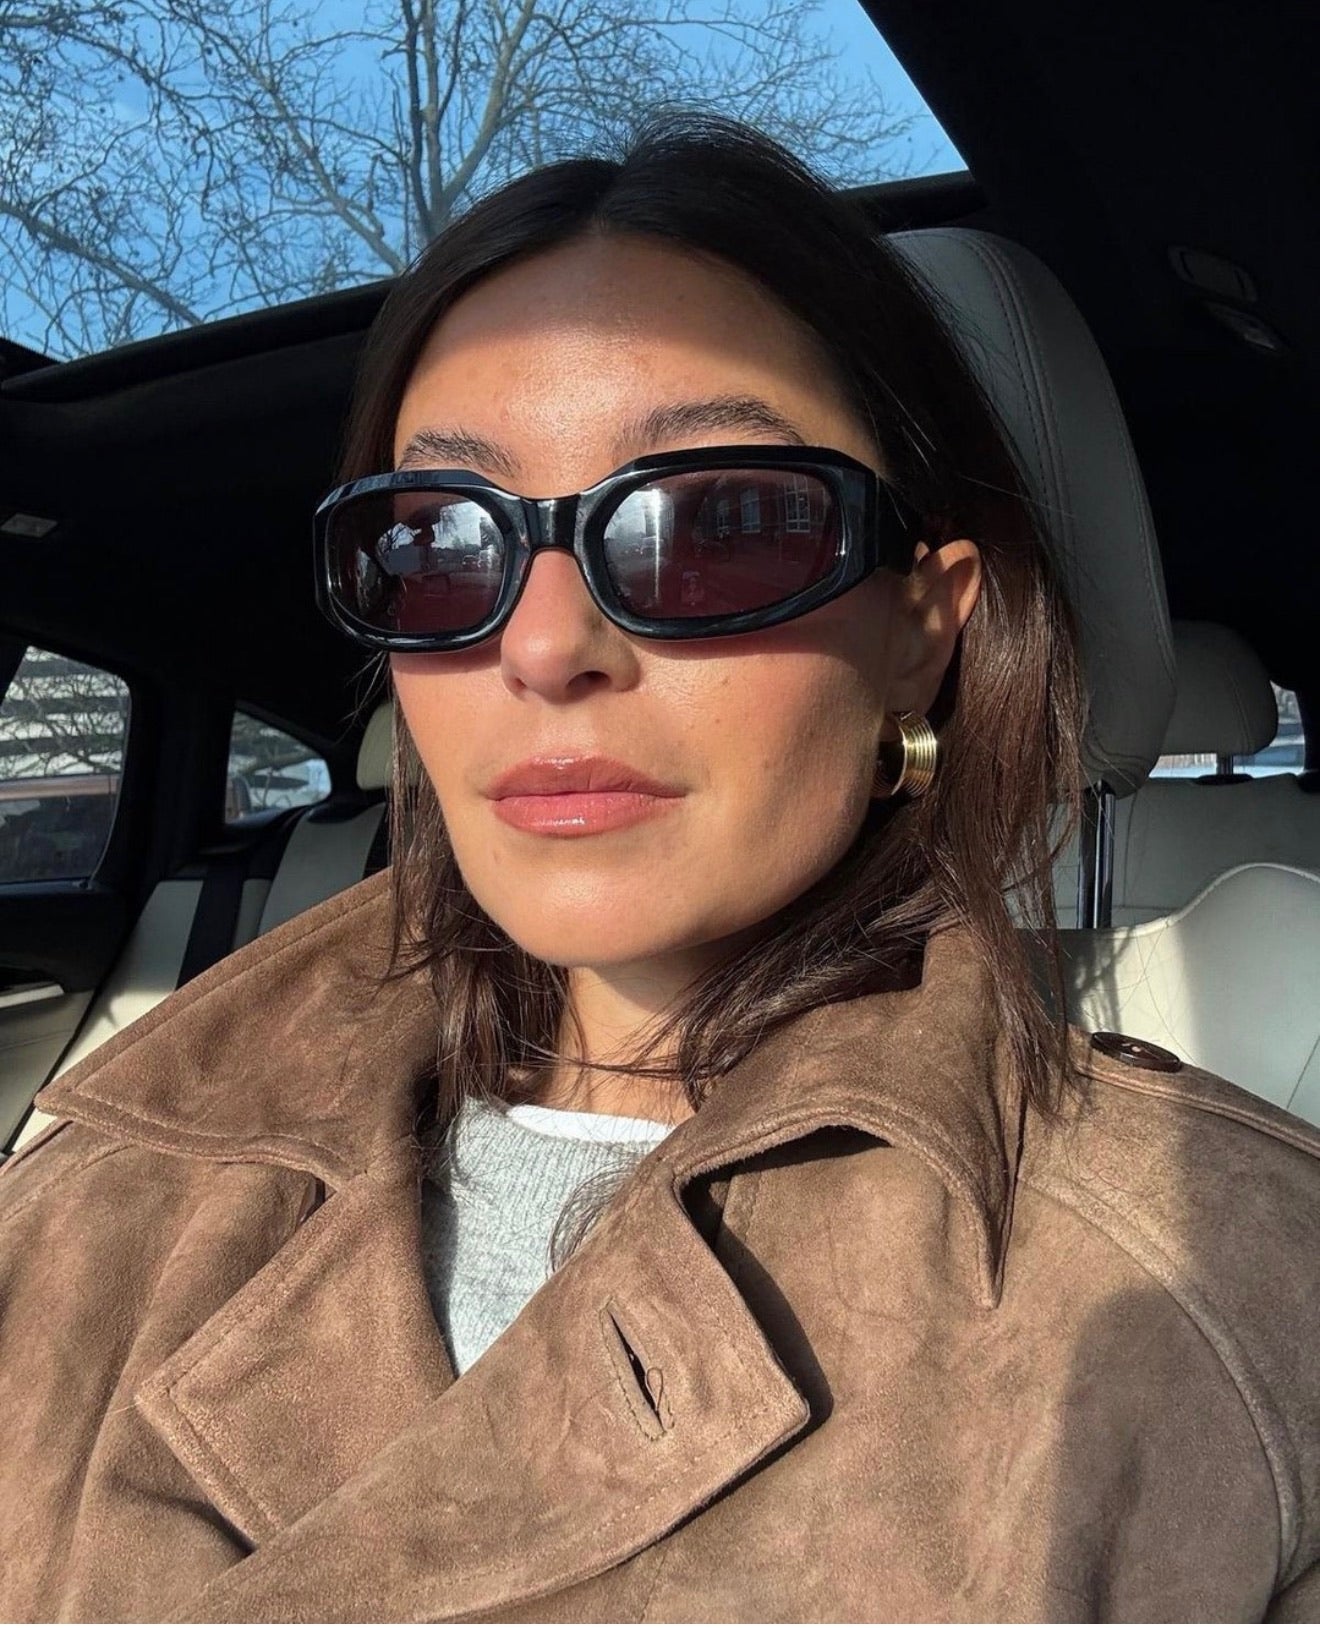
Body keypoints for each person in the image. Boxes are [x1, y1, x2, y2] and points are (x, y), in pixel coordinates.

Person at [1, 114, 1318, 1624]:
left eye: (718, 526)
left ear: (922, 626)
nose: (544, 644)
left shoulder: (1224, 1303)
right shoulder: (100, 1182)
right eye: (440, 542)